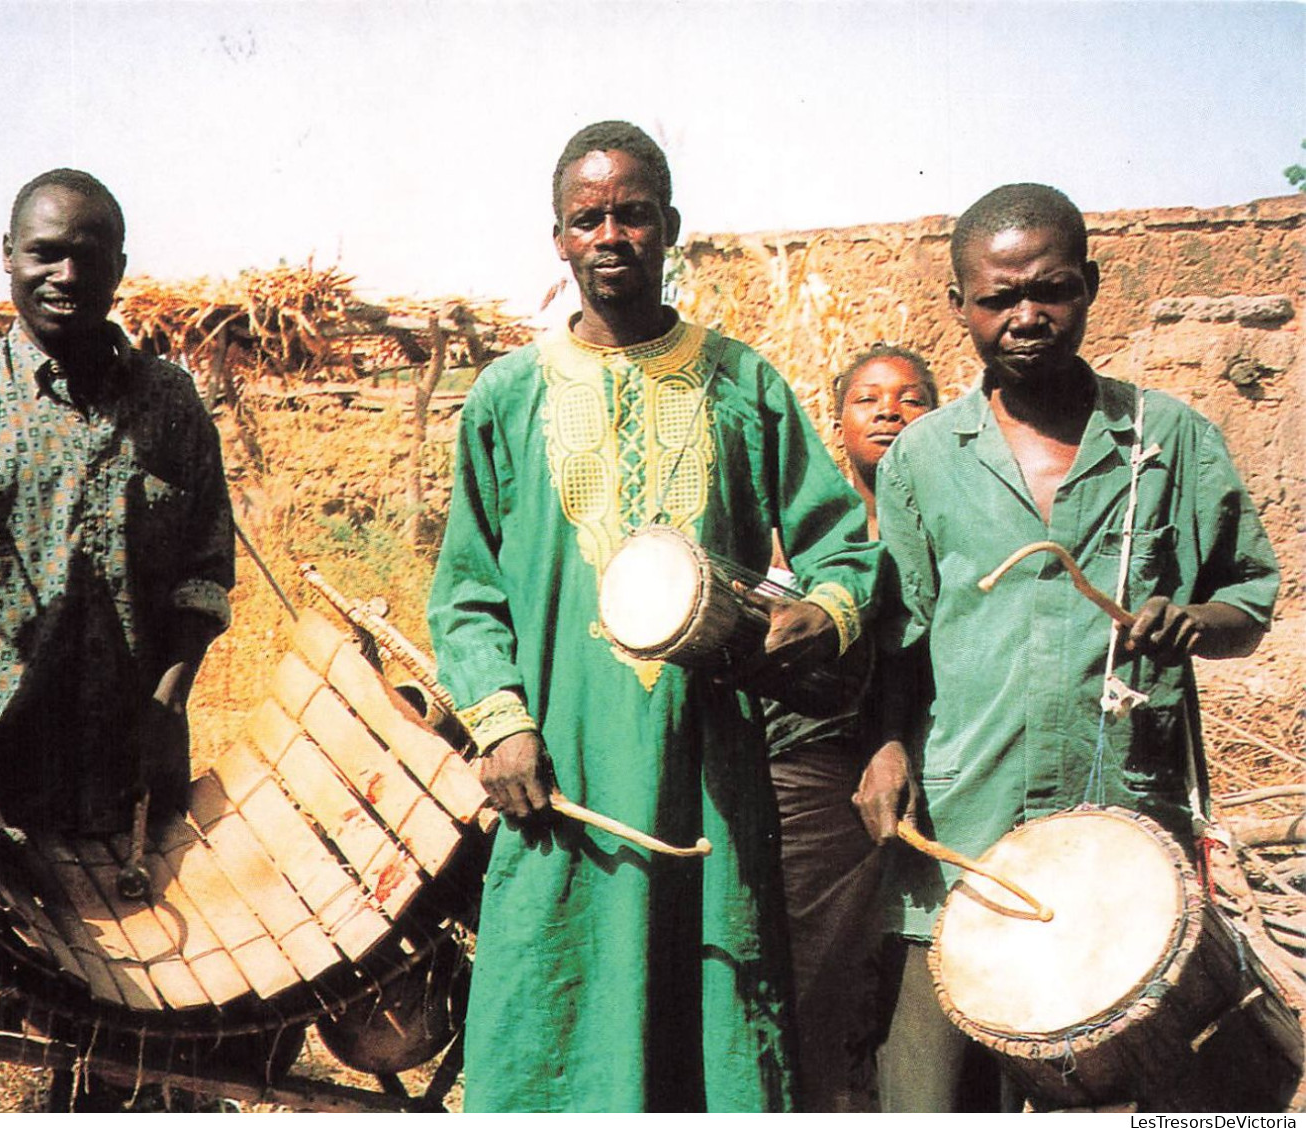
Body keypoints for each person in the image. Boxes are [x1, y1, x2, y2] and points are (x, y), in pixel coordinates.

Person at [426, 120, 881, 1113]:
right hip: (561, 777)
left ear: (669, 226)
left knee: (712, 1008)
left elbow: (849, 547)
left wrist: (812, 618)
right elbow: (465, 591)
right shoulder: (507, 397)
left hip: (705, 781)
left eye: (633, 213)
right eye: (587, 218)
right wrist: (500, 725)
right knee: (549, 1012)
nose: (611, 234)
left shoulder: (742, 384)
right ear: (557, 239)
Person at [867, 183, 1280, 1112]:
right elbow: (901, 638)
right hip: (959, 847)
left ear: (1090, 285)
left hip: (1122, 847)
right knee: (928, 1099)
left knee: (1131, 1096)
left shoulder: (1167, 442)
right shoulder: (924, 458)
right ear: (959, 306)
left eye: (1049, 290)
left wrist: (1194, 621)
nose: (1026, 316)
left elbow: (1247, 601)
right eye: (998, 298)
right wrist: (890, 745)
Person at [0, 168, 236, 1110]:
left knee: (110, 1029)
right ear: (7, 261)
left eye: (87, 251)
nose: (65, 271)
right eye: (44, 251)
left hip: (117, 781)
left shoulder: (170, 407)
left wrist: (167, 698)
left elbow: (203, 574)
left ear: (120, 266)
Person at [765, 345, 937, 1111]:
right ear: (836, 425)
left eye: (912, 397)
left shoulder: (947, 524)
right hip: (819, 776)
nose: (890, 411)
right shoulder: (802, 540)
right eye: (868, 398)